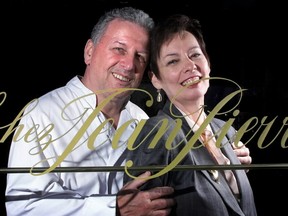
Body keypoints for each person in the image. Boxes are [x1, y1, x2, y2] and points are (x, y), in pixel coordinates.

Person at [5, 7, 175, 216]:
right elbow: (22, 206)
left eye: (140, 56)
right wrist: (113, 209)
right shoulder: (42, 113)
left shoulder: (143, 121)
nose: (129, 65)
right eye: (119, 49)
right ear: (89, 51)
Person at [124, 14, 257, 215]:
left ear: (208, 64)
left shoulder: (226, 131)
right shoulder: (156, 132)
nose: (190, 66)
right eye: (173, 61)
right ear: (156, 79)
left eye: (195, 55)